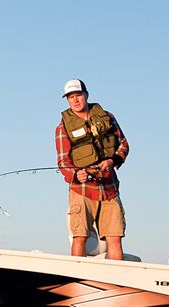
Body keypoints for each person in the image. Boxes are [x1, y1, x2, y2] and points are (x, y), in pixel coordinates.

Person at [54, 77, 128, 259]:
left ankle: (115, 281)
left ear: (86, 95)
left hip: (109, 188)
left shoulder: (108, 117)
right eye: (70, 97)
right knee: (80, 237)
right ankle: (78, 279)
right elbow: (63, 162)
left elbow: (124, 144)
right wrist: (76, 175)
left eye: (78, 95)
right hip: (81, 190)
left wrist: (112, 161)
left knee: (115, 238)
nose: (75, 100)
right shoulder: (62, 127)